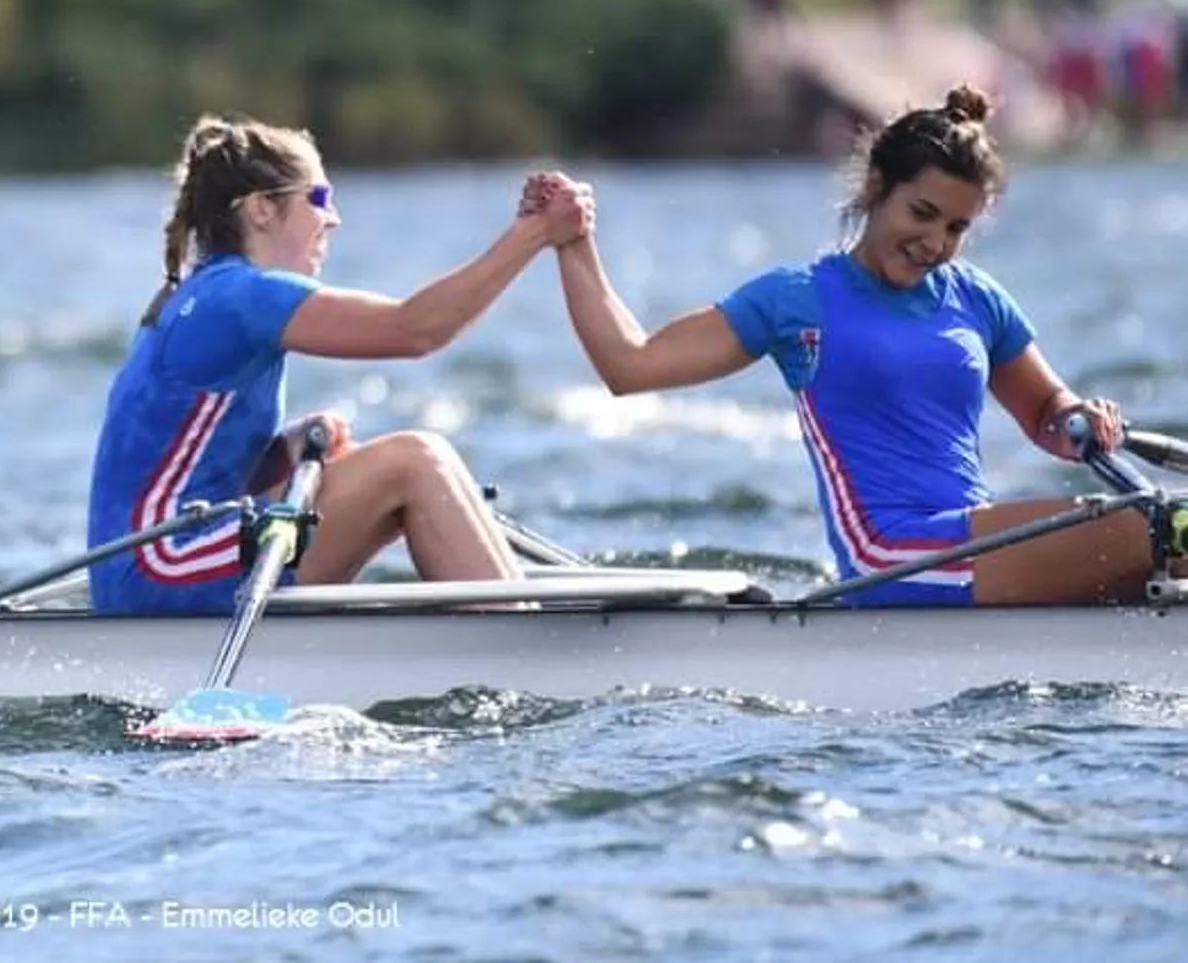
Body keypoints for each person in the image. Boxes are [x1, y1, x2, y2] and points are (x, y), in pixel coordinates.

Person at [522, 84, 1139, 607]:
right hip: (889, 558)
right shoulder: (798, 300)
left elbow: (1047, 414)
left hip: (970, 546)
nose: (935, 243)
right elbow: (629, 364)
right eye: (921, 213)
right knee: (1148, 530)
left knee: (1167, 539)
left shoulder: (975, 296)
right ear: (876, 187)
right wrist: (574, 242)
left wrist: (1079, 418)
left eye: (956, 227)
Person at [86, 114, 591, 617]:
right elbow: (415, 329)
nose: (333, 218)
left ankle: (509, 616)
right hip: (162, 566)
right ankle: (517, 639)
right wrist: (534, 234)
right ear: (261, 209)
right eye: (319, 197)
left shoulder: (201, 294)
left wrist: (282, 452)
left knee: (397, 470)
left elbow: (189, 471)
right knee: (415, 461)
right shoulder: (242, 295)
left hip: (146, 564)